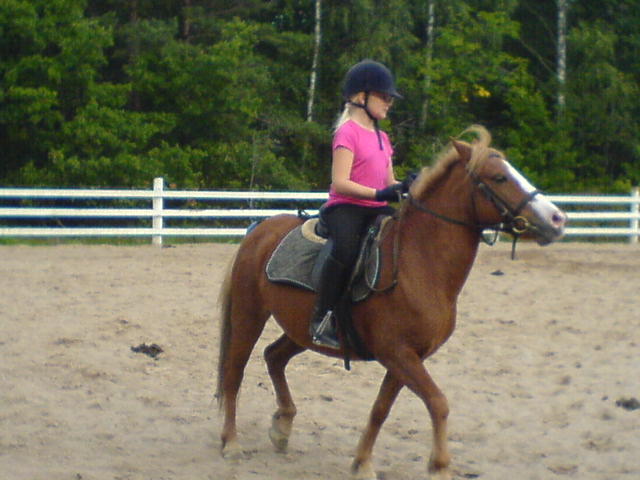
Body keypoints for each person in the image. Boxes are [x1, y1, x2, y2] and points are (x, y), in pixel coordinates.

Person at [309, 59, 409, 349]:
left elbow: (389, 181)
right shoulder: (347, 132)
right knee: (346, 248)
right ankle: (322, 317)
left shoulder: (383, 137)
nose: (390, 102)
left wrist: (405, 187)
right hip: (346, 207)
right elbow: (340, 182)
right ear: (361, 97)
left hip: (375, 207)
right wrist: (379, 194)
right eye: (385, 96)